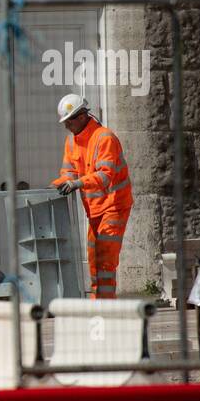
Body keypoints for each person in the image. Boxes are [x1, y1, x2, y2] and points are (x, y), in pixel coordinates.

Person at [51, 94, 132, 298]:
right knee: (94, 262)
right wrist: (54, 187)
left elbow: (105, 176)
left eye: (68, 121)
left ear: (81, 116)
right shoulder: (72, 142)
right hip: (94, 211)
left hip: (114, 206)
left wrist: (77, 183)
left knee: (105, 261)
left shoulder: (104, 138)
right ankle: (99, 308)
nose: (66, 126)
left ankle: (106, 310)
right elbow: (67, 173)